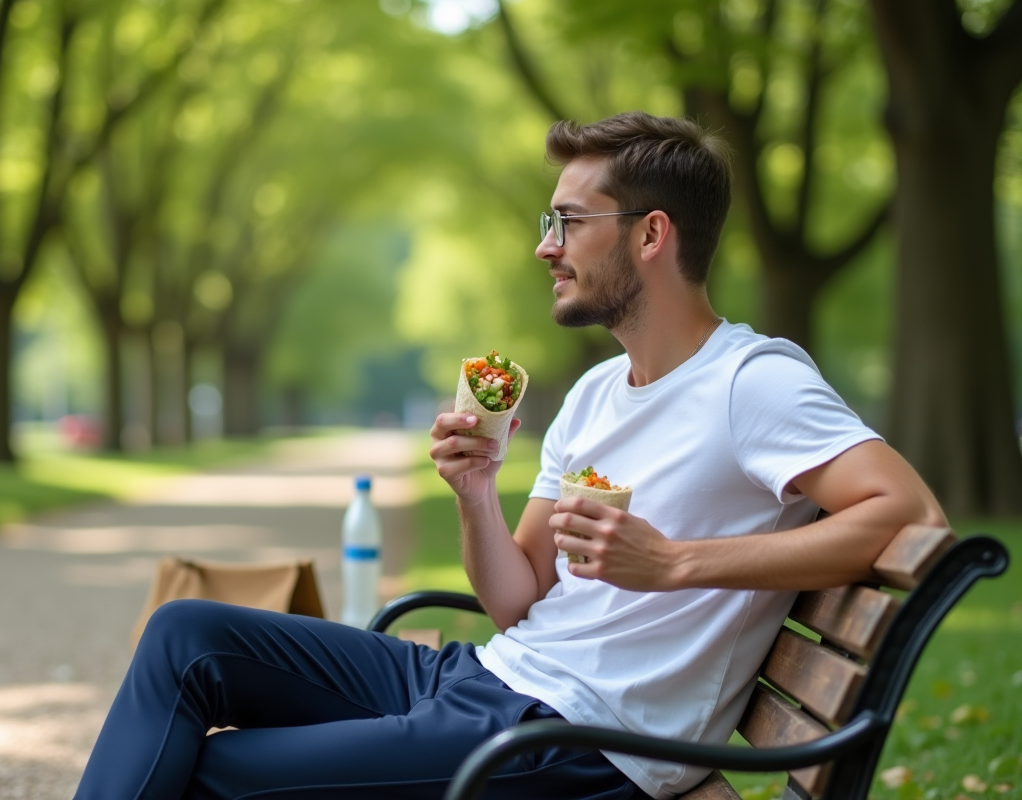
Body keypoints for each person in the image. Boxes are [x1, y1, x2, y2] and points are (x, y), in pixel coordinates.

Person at [71, 112, 946, 800]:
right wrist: (475, 490)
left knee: (216, 776)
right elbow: (515, 598)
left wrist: (678, 561)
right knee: (186, 634)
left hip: (574, 741)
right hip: (492, 680)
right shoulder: (600, 393)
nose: (545, 246)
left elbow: (910, 514)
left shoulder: (750, 382)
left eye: (567, 221)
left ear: (651, 235)